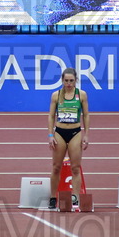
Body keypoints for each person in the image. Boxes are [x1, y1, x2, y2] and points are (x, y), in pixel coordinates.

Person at [48, 67, 89, 209]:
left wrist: (86, 135)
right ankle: (53, 197)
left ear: (76, 80)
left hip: (75, 133)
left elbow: (86, 115)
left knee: (76, 168)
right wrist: (50, 135)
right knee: (56, 167)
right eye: (66, 81)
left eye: (71, 81)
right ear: (62, 80)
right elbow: (51, 116)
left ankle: (75, 197)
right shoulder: (56, 95)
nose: (69, 83)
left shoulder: (81, 95)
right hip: (59, 132)